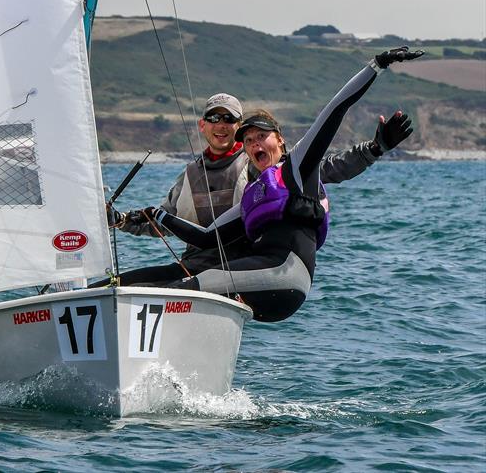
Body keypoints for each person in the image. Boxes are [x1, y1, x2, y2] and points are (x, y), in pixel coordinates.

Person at [144, 47, 423, 322]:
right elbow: (205, 238)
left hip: (285, 275)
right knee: (163, 282)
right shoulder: (254, 197)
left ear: (279, 140)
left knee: (187, 287)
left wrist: (376, 64)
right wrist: (158, 215)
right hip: (262, 287)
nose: (254, 144)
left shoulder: (297, 167)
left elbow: (336, 108)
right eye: (248, 141)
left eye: (261, 136)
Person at [98, 67, 414, 288]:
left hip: (234, 270)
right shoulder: (189, 176)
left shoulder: (260, 169)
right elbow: (161, 221)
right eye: (214, 118)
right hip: (191, 264)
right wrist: (120, 220)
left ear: (239, 129)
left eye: (230, 120)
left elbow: (330, 166)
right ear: (202, 125)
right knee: (114, 285)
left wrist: (374, 149)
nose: (221, 125)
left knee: (175, 288)